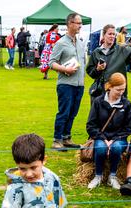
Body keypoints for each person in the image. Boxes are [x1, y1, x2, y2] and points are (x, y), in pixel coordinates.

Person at [86, 73, 131, 190]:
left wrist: (114, 139)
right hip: (101, 136)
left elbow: (128, 128)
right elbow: (91, 125)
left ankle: (113, 176)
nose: (121, 93)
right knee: (101, 148)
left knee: (116, 148)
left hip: (119, 138)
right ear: (110, 86)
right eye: (118, 89)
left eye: (123, 89)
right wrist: (103, 139)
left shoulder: (126, 104)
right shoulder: (97, 102)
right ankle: (98, 176)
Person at [49, 13, 86, 150]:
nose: (80, 26)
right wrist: (64, 69)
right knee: (64, 112)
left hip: (79, 85)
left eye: (80, 23)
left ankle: (66, 138)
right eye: (78, 23)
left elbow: (83, 62)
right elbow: (51, 63)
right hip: (66, 84)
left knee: (73, 113)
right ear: (70, 23)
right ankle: (56, 140)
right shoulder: (61, 43)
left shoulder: (81, 43)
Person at [86, 24, 131, 101]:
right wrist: (98, 69)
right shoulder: (96, 52)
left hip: (118, 92)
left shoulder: (121, 50)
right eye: (110, 34)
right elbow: (90, 72)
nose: (112, 36)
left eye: (114, 34)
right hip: (100, 93)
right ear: (104, 35)